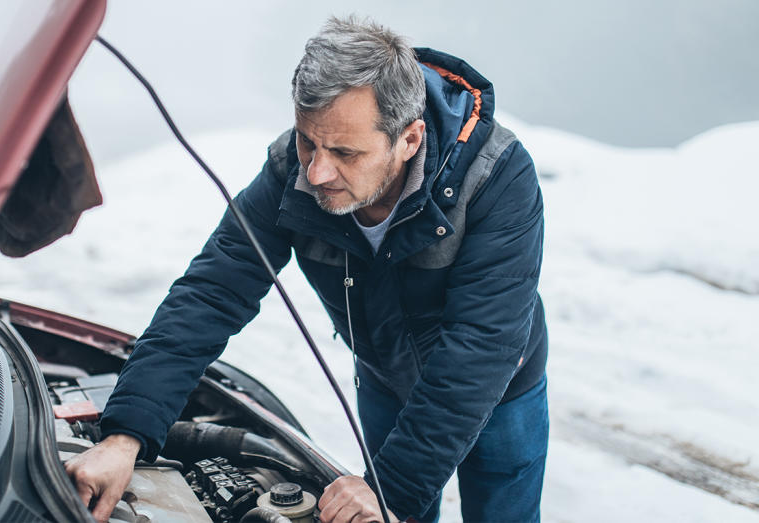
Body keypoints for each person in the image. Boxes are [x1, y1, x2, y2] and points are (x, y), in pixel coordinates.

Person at [66, 15, 548, 523]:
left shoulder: (496, 177)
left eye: (344, 152)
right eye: (307, 142)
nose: (316, 173)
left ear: (409, 140)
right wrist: (125, 436)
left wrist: (394, 486)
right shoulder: (290, 171)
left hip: (500, 392)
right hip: (385, 380)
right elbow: (212, 292)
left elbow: (481, 343)